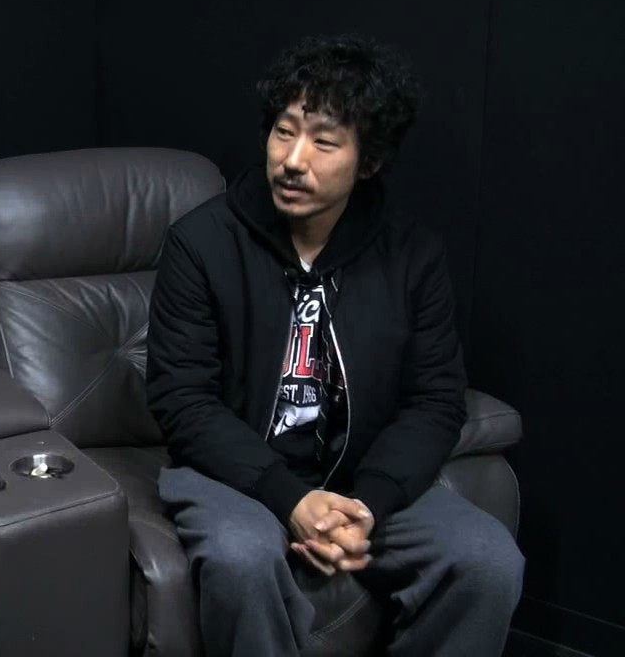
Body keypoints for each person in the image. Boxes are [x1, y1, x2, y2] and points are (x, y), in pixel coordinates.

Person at [146, 35, 524, 656]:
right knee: (242, 558)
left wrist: (369, 504)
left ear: (367, 161)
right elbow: (183, 400)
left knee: (486, 561)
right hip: (235, 475)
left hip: (360, 479)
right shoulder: (201, 243)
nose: (293, 160)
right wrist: (290, 499)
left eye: (323, 142)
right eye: (283, 133)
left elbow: (435, 401)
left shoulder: (412, 257)